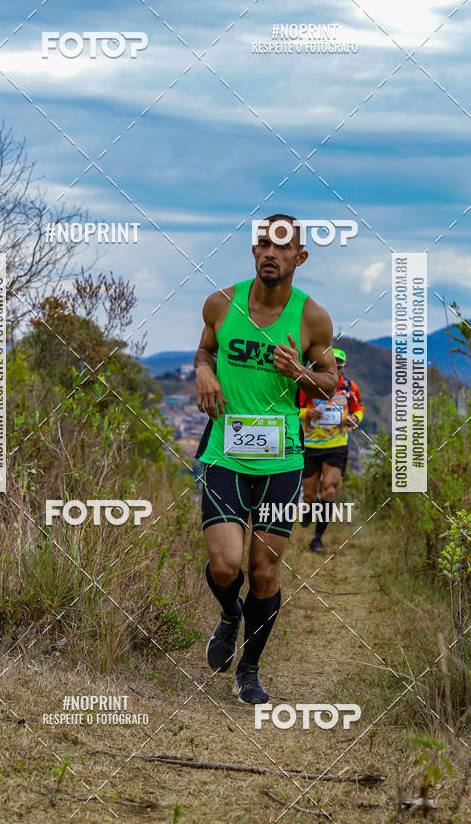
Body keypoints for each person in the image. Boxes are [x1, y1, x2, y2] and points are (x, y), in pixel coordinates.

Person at [193, 214, 337, 704]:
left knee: (264, 572)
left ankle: (249, 670)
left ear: (300, 257)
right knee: (226, 564)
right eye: (262, 244)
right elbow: (204, 352)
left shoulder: (312, 317)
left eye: (283, 247)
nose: (270, 253)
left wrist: (300, 372)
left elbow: (330, 383)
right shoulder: (221, 303)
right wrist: (202, 372)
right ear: (254, 252)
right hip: (224, 454)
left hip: (281, 462)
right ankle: (230, 615)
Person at [298, 348, 364, 552]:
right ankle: (310, 506)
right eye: (332, 363)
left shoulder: (348, 386)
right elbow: (292, 409)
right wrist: (308, 413)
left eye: (339, 364)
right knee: (309, 497)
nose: (336, 367)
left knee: (330, 490)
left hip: (336, 446)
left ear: (343, 366)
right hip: (310, 446)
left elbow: (358, 408)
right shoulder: (307, 385)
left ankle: (317, 539)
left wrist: (355, 419)